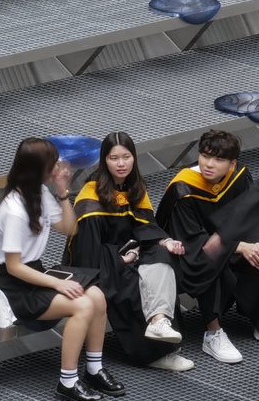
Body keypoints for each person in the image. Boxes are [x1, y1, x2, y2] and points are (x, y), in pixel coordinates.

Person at [0, 135, 122, 401]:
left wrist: (63, 192)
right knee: (83, 306)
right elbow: (14, 267)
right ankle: (68, 382)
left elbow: (69, 228)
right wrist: (57, 284)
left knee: (97, 296)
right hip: (15, 288)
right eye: (53, 164)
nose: (59, 167)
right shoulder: (14, 210)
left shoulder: (39, 192)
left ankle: (94, 368)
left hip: (36, 274)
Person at [65, 132, 191, 371]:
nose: (121, 164)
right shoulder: (91, 196)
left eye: (126, 157)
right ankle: (153, 355)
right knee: (133, 283)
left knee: (163, 258)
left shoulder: (134, 188)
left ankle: (159, 321)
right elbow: (85, 252)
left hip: (132, 253)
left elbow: (145, 227)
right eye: (114, 158)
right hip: (102, 263)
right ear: (104, 161)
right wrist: (120, 259)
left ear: (134, 157)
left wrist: (164, 241)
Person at [156, 127, 259, 363]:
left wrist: (254, 246)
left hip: (226, 242)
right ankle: (213, 333)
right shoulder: (183, 188)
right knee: (213, 260)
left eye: (219, 160)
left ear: (232, 164)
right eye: (205, 156)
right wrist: (239, 247)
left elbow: (248, 219)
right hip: (186, 252)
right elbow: (192, 241)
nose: (209, 164)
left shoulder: (238, 176)